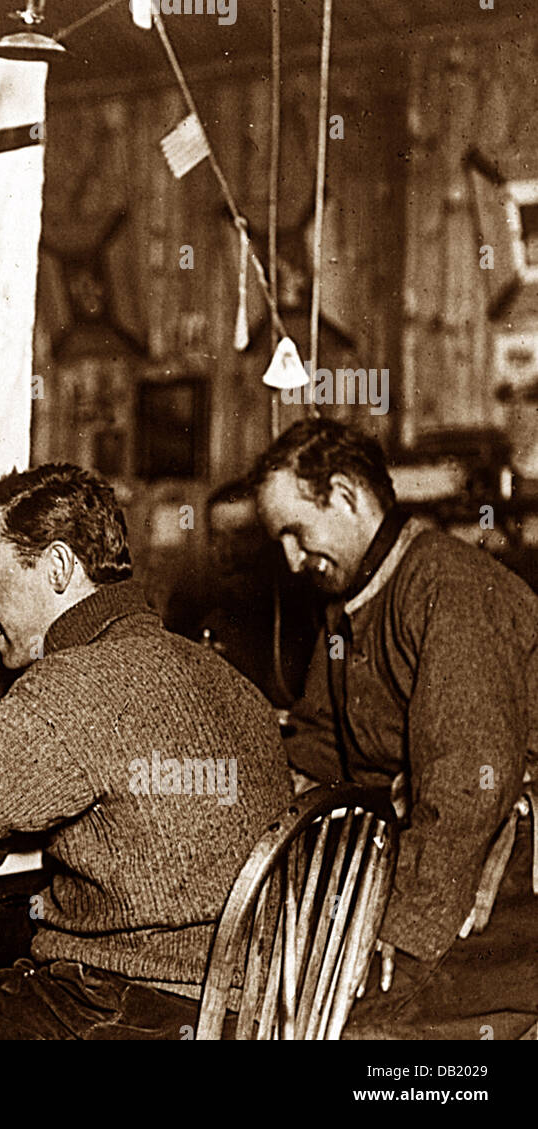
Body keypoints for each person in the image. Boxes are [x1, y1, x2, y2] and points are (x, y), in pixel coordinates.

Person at [0, 464, 291, 1039]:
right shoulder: (231, 682)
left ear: (60, 568)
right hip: (246, 1016)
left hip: (122, 1009)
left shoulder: (76, 683)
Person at [250, 417, 538, 1039]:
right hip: (428, 861)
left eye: (296, 533)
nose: (292, 560)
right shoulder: (352, 605)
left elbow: (469, 787)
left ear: (347, 497)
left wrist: (399, 929)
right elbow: (320, 747)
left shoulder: (450, 587)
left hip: (504, 871)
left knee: (355, 1029)